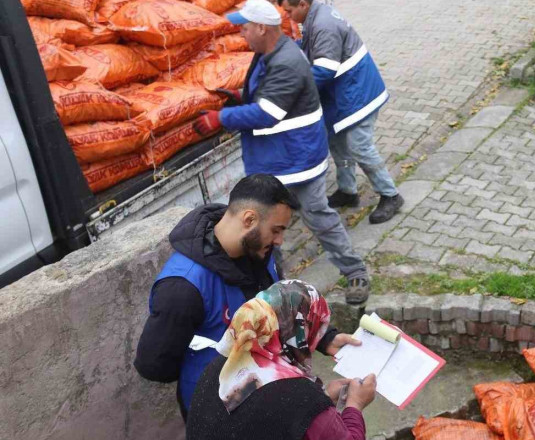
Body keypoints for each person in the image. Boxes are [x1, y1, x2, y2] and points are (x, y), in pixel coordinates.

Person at [134, 174, 361, 421]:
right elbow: (155, 365)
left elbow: (281, 308)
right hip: (221, 418)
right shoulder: (183, 288)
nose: (280, 240)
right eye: (276, 230)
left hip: (269, 398)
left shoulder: (259, 251)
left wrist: (324, 338)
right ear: (249, 219)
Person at [194, 0, 371, 304]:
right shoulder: (269, 52)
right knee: (265, 228)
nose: (242, 34)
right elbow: (268, 91)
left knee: (317, 216)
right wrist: (239, 95)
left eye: (245, 28)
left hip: (297, 160)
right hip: (278, 158)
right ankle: (274, 287)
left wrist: (220, 118)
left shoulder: (286, 61)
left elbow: (268, 112)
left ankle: (354, 271)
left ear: (262, 28)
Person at [186, 280, 376, 440]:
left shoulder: (220, 367)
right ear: (302, 331)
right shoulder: (303, 400)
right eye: (317, 328)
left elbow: (262, 414)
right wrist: (355, 404)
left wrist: (323, 397)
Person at [281, 0, 404, 225]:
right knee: (337, 142)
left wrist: (295, 92)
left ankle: (390, 195)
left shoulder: (323, 24)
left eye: (289, 11)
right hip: (345, 93)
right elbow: (314, 50)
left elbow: (324, 70)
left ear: (301, 4)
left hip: (358, 93)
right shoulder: (315, 16)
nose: (288, 16)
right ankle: (348, 191)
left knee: (359, 146)